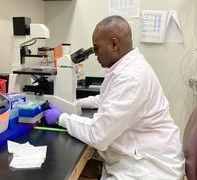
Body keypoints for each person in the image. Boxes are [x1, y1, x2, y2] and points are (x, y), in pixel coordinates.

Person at [44, 15, 185, 180]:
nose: (94, 53)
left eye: (96, 48)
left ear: (114, 44)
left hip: (148, 168)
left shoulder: (132, 77)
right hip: (136, 154)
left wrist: (61, 117)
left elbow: (99, 135)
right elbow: (105, 99)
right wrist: (75, 103)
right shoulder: (127, 67)